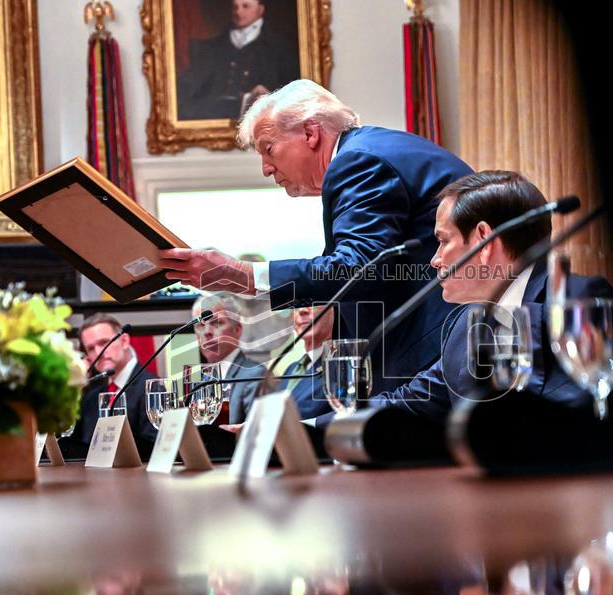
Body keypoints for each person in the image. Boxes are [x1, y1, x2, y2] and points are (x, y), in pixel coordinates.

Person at [158, 79, 473, 393]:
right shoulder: (370, 149)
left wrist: (242, 275)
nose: (266, 169)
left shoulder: (358, 160)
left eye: (269, 150)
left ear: (310, 133)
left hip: (436, 351)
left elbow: (359, 266)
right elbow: (380, 271)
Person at [367, 170, 613, 422]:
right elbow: (411, 403)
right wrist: (335, 420)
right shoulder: (462, 326)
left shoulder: (576, 301)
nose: (435, 260)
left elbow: (599, 411)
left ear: (484, 241)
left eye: (443, 241)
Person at [59, 313, 158, 460]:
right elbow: (71, 444)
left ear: (124, 341)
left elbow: (154, 447)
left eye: (104, 343)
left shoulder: (153, 387)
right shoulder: (91, 395)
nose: (99, 352)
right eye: (91, 348)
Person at [177, 0, 299, 120]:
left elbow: (294, 93)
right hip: (214, 120)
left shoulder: (280, 48)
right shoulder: (210, 48)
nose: (238, 11)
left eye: (245, 6)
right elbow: (188, 90)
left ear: (260, 9)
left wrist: (270, 95)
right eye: (235, 7)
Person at [192, 292, 264, 424]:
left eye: (216, 323)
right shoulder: (201, 381)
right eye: (200, 326)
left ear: (237, 330)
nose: (207, 332)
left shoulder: (255, 376)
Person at [279, 305, 335, 419]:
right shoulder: (291, 369)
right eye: (295, 306)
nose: (302, 310)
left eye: (311, 303)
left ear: (333, 310)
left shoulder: (342, 366)